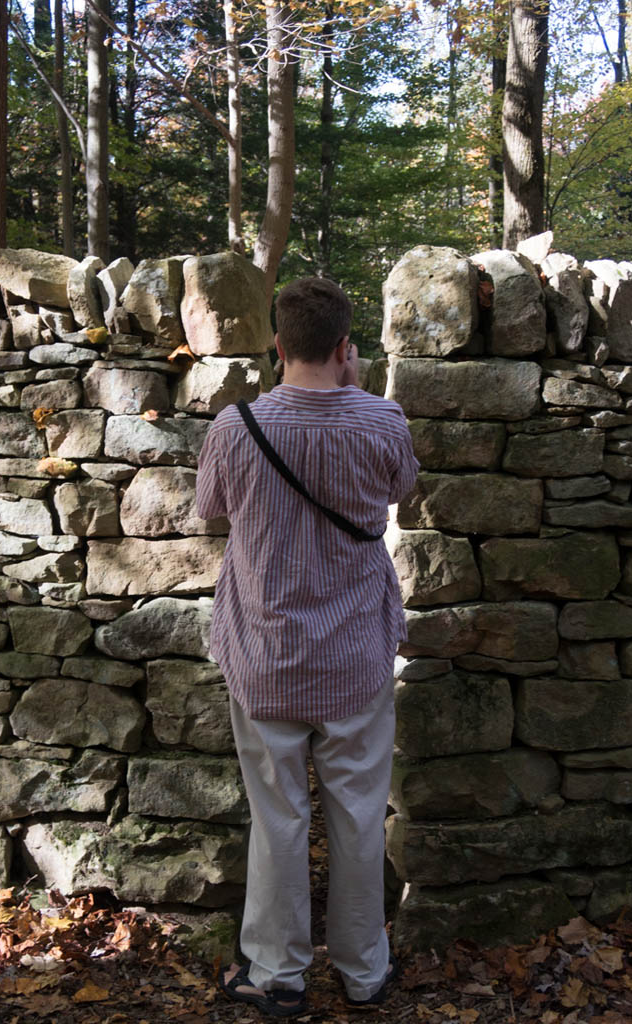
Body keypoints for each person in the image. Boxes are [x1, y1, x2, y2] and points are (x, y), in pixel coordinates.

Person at [195, 276, 419, 1019]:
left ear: (278, 345)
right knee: (358, 814)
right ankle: (364, 971)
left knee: (278, 816)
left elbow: (212, 513)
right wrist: (355, 394)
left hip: (263, 652)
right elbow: (400, 494)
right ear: (345, 345)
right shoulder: (383, 421)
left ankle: (277, 971)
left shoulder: (235, 427)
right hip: (355, 654)